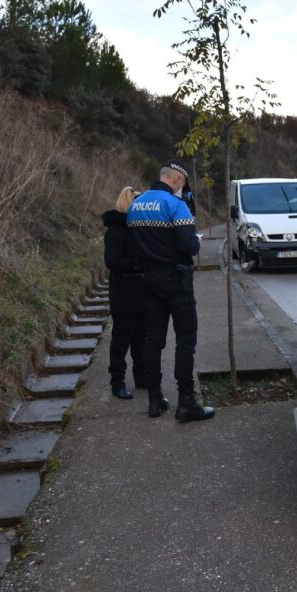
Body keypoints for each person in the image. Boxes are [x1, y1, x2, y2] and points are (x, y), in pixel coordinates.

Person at [127, 160, 214, 422]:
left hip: (148, 280)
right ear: (177, 180)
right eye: (182, 184)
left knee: (153, 340)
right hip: (176, 281)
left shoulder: (135, 205)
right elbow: (188, 245)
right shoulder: (177, 206)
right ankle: (186, 402)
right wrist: (194, 241)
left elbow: (133, 245)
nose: (182, 188)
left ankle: (155, 399)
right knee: (186, 340)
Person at [102, 187, 147, 399]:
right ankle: (117, 382)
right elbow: (111, 261)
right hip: (123, 293)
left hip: (141, 291)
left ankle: (141, 377)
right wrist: (138, 264)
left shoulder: (138, 228)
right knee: (121, 339)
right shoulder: (116, 230)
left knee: (141, 337)